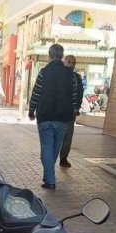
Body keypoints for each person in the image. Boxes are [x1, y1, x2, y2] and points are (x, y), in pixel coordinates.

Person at [28, 43, 77, 189]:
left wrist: (31, 110)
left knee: (47, 148)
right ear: (62, 56)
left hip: (45, 116)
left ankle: (50, 180)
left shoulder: (44, 72)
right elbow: (74, 97)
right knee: (55, 148)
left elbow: (36, 93)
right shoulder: (71, 75)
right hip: (63, 118)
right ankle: (49, 176)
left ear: (50, 55)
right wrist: (73, 111)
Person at [59, 55, 84, 168]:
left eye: (73, 63)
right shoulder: (57, 76)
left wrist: (77, 108)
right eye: (69, 62)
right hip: (57, 112)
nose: (71, 65)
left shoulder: (77, 78)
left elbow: (80, 95)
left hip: (70, 113)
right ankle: (52, 158)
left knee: (68, 137)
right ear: (64, 62)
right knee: (56, 136)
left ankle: (63, 158)